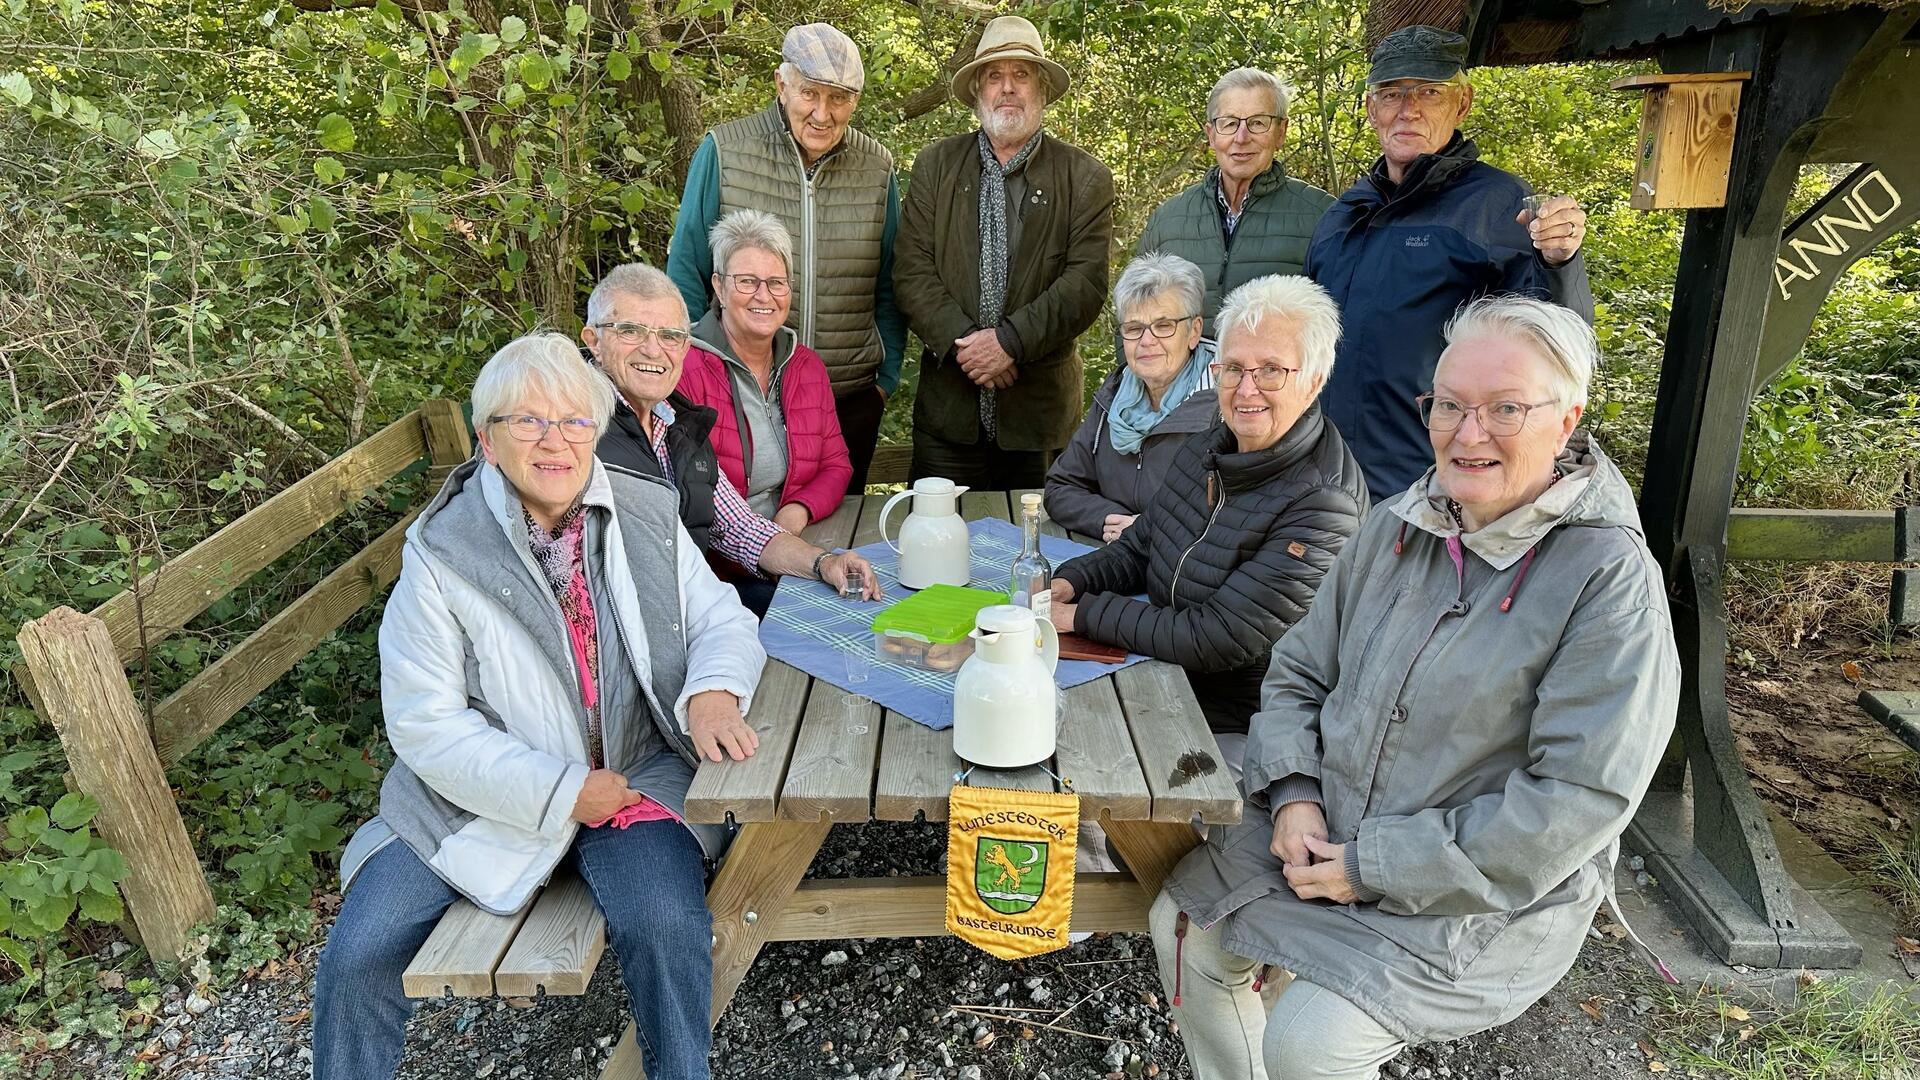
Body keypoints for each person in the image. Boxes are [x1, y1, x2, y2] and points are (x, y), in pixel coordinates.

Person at [1150, 297, 1680, 1080]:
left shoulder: (1608, 582)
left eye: (1505, 408)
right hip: (1327, 821)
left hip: (1475, 895)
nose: (1469, 435)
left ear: (1567, 419)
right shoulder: (1401, 521)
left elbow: (1576, 803)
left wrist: (1373, 865)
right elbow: (1298, 669)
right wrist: (1294, 789)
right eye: (1451, 406)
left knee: (1308, 1045)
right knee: (1182, 925)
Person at [314, 333, 766, 1080]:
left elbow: (719, 616)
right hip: (475, 801)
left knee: (666, 926)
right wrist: (561, 792)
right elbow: (426, 723)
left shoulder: (642, 509)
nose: (554, 441)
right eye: (526, 422)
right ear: (489, 441)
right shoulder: (441, 550)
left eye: (573, 421)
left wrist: (713, 690)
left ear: (595, 429)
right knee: (359, 954)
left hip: (633, 769)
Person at [1047, 275, 1367, 753]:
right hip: (1163, 673)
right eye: (1234, 368)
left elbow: (1215, 636)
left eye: (1271, 371)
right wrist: (1068, 583)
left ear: (1315, 380)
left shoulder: (1324, 504)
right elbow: (1143, 543)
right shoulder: (1211, 445)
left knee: (1067, 749)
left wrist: (1077, 616)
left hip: (1241, 723)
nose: (1246, 389)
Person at [1308, 24, 1595, 501]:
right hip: (1326, 481)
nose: (1409, 108)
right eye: (1392, 92)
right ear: (1371, 109)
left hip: (1434, 482)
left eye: (1429, 92)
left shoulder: (1498, 205)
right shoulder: (1343, 216)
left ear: (1462, 104)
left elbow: (1559, 344)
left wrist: (1559, 261)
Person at [665, 22, 903, 495]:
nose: (822, 112)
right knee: (736, 537)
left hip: (847, 396)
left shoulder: (877, 168)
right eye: (809, 93)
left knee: (836, 542)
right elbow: (686, 269)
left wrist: (886, 377)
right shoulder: (726, 151)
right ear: (782, 84)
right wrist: (700, 366)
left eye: (839, 98)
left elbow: (891, 283)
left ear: (855, 100)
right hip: (735, 394)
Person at [582, 262, 879, 618]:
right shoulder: (573, 428)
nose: (653, 349)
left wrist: (824, 562)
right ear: (594, 341)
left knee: (839, 615)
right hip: (627, 633)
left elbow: (740, 528)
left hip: (693, 606)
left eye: (670, 336)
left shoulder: (679, 422)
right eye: (630, 330)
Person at [894, 14, 1114, 490]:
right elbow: (911, 272)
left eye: (1022, 75)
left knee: (1038, 552)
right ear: (977, 91)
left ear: (1042, 90)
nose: (1008, 88)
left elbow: (1085, 284)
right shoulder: (935, 166)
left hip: (1039, 420)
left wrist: (1009, 343)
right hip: (948, 416)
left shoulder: (1085, 177)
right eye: (995, 76)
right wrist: (969, 348)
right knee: (939, 550)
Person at [678, 210, 854, 538]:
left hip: (800, 538)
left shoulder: (807, 367)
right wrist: (766, 545)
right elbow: (686, 494)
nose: (764, 295)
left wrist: (797, 510)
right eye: (747, 281)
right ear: (719, 286)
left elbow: (836, 466)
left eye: (776, 282)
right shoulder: (684, 370)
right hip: (722, 564)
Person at [1134, 68, 1334, 332]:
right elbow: (1132, 319)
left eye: (1258, 122)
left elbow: (1345, 326)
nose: (1241, 137)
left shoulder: (1324, 217)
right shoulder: (1166, 222)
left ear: (1281, 132)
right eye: (1229, 123)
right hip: (1183, 376)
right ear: (1211, 135)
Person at [1043, 253, 1220, 543]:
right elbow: (1062, 486)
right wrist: (1108, 519)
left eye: (1164, 326)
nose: (1147, 341)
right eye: (1134, 328)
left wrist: (1148, 529)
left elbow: (1240, 515)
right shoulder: (1114, 396)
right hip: (1111, 557)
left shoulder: (1228, 404)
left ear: (1194, 331)